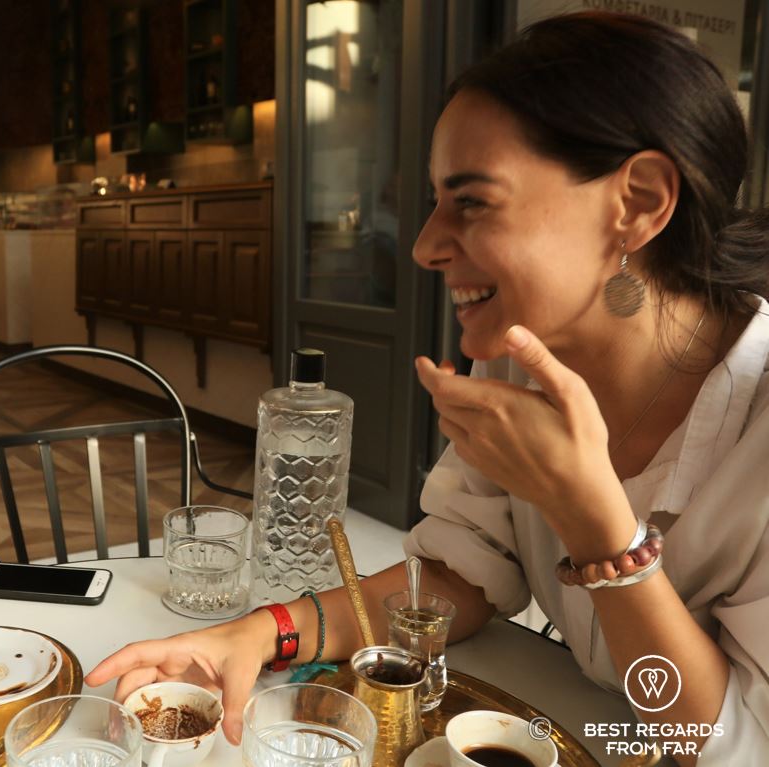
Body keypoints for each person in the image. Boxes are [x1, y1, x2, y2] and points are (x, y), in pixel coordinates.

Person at [86, 12, 769, 765]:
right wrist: (257, 632)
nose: (422, 245)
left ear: (636, 201)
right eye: (434, 201)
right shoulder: (521, 358)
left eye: (470, 201)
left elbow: (733, 746)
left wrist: (594, 520)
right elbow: (457, 575)